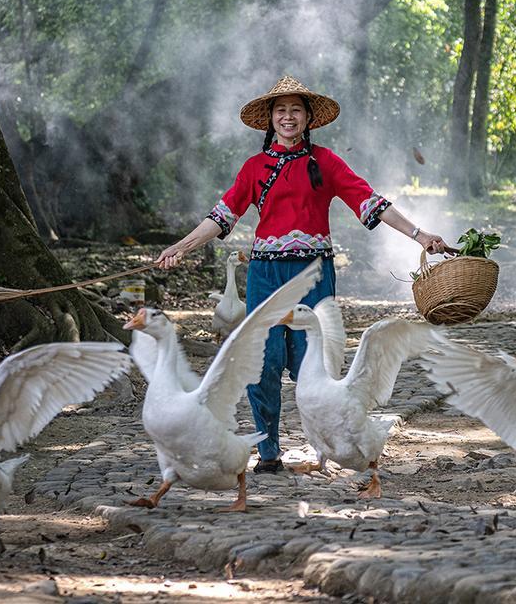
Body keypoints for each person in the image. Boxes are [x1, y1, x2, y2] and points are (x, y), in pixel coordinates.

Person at [156, 75, 454, 472]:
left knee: (315, 361)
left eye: (296, 109)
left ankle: (326, 447)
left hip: (313, 274)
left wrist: (419, 235)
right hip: (264, 275)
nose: (288, 117)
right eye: (281, 110)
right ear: (270, 120)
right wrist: (181, 246)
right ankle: (268, 452)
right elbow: (221, 216)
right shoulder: (254, 168)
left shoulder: (326, 162)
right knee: (262, 361)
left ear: (309, 117)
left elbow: (371, 202)